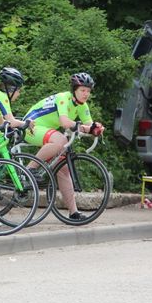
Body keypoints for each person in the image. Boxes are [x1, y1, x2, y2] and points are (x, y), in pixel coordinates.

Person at [23, 72, 105, 223]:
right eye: (82, 90)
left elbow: (88, 125)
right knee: (60, 140)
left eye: (88, 91)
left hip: (48, 130)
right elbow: (65, 122)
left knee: (64, 170)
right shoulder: (63, 98)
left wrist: (97, 128)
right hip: (32, 126)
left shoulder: (82, 105)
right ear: (74, 90)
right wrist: (86, 128)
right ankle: (28, 170)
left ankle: (73, 212)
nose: (86, 94)